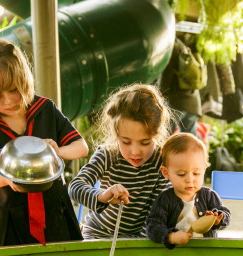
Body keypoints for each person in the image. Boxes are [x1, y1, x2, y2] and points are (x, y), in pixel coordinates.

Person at [0, 38, 88, 249]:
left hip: (54, 212)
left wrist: (57, 151)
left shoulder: (45, 109)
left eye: (12, 89)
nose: (8, 100)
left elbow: (81, 147)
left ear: (23, 79)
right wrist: (7, 179)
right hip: (3, 220)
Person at [68, 84, 172, 239]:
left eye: (145, 142)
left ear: (157, 135)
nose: (135, 151)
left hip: (141, 238)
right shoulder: (107, 154)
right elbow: (75, 187)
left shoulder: (161, 162)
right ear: (116, 135)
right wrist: (102, 196)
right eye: (126, 142)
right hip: (98, 234)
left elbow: (159, 213)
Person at [145, 133, 230, 249]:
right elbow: (152, 226)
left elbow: (226, 214)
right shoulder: (165, 199)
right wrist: (170, 237)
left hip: (205, 251)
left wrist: (217, 219)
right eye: (181, 174)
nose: (190, 179)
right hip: (175, 254)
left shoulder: (209, 195)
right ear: (166, 173)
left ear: (204, 169)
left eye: (196, 173)